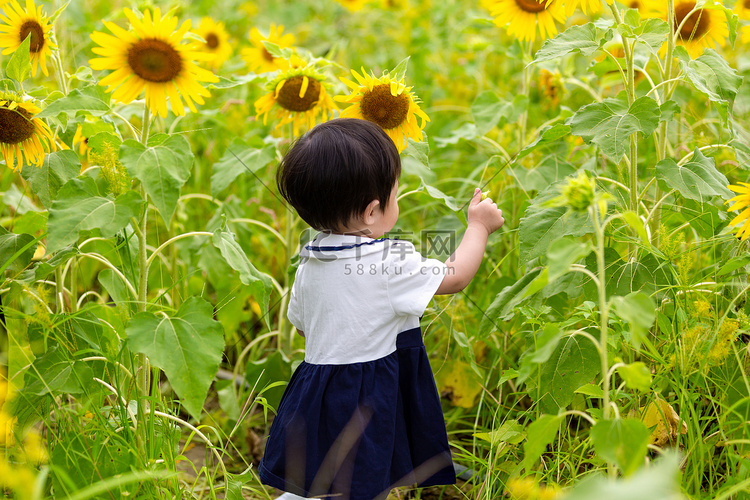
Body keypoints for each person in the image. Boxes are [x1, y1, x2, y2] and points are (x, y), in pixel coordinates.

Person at [258, 118, 505, 500]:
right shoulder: (389, 260)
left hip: (317, 390)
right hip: (366, 395)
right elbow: (455, 278)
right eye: (395, 192)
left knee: (320, 475)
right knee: (361, 481)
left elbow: (305, 328)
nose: (398, 199)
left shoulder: (309, 262)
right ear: (373, 211)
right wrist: (479, 228)